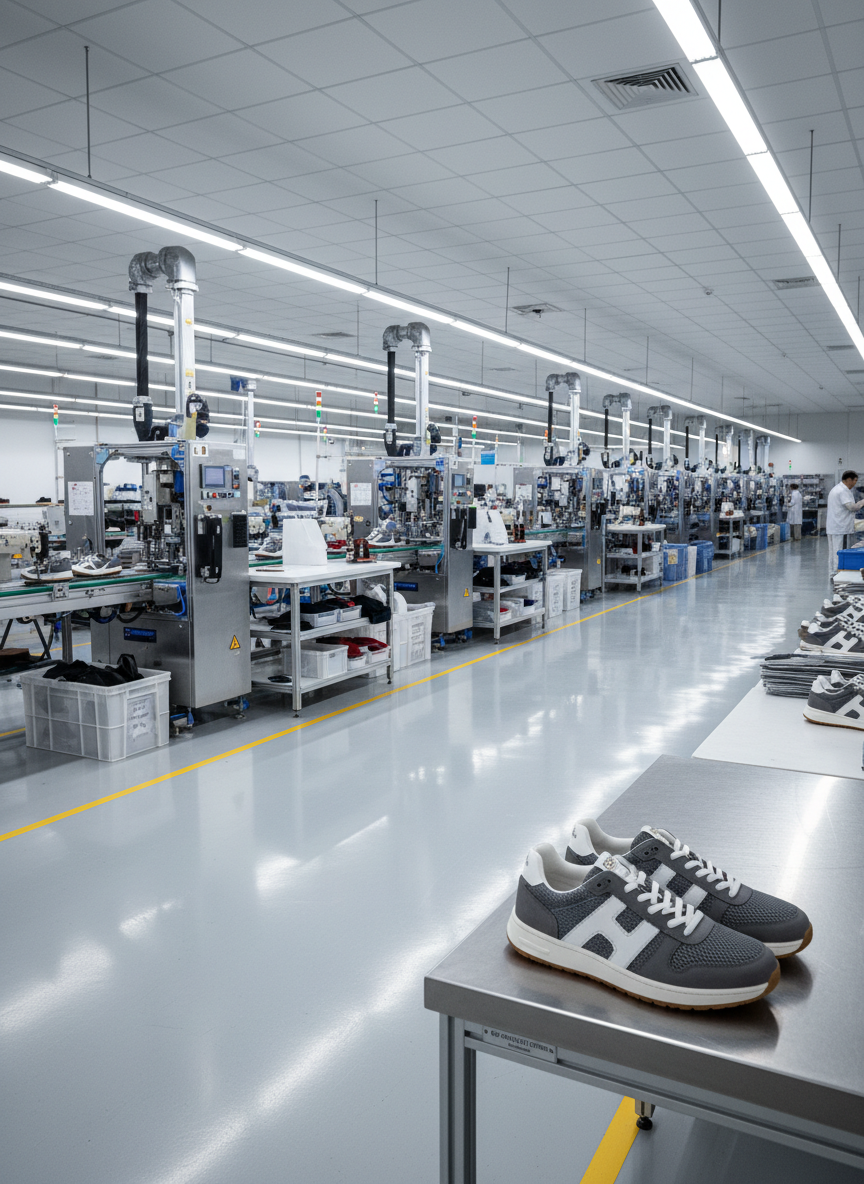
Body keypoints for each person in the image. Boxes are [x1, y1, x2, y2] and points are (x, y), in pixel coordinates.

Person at [826, 470, 864, 573]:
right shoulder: (843, 491)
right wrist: (862, 502)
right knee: (841, 552)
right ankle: (839, 573)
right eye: (855, 480)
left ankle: (833, 572)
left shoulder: (836, 489)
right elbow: (852, 507)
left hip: (835, 527)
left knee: (834, 552)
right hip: (841, 528)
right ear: (848, 480)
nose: (855, 483)